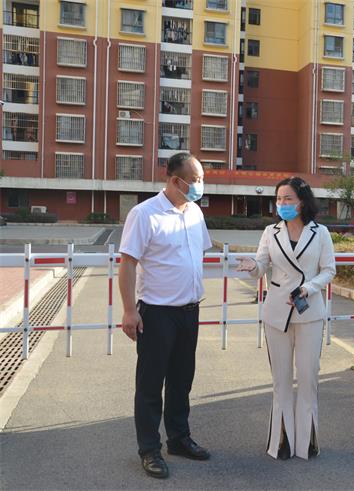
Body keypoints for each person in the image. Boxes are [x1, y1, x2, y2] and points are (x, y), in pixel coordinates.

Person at [118, 152, 213, 479]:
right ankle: (149, 449)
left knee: (181, 380)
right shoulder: (145, 214)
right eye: (196, 180)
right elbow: (127, 263)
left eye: (201, 179)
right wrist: (129, 310)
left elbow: (195, 256)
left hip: (189, 311)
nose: (200, 185)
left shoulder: (195, 212)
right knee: (150, 385)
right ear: (175, 180)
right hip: (157, 313)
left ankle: (179, 438)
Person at [237, 177, 336, 460]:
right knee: (280, 381)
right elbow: (261, 265)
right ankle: (282, 442)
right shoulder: (271, 231)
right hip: (277, 311)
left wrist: (309, 288)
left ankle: (306, 443)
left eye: (288, 198)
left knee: (308, 377)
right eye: (279, 199)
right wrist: (252, 266)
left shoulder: (320, 233)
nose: (282, 204)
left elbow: (329, 270)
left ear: (302, 201)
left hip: (309, 311)